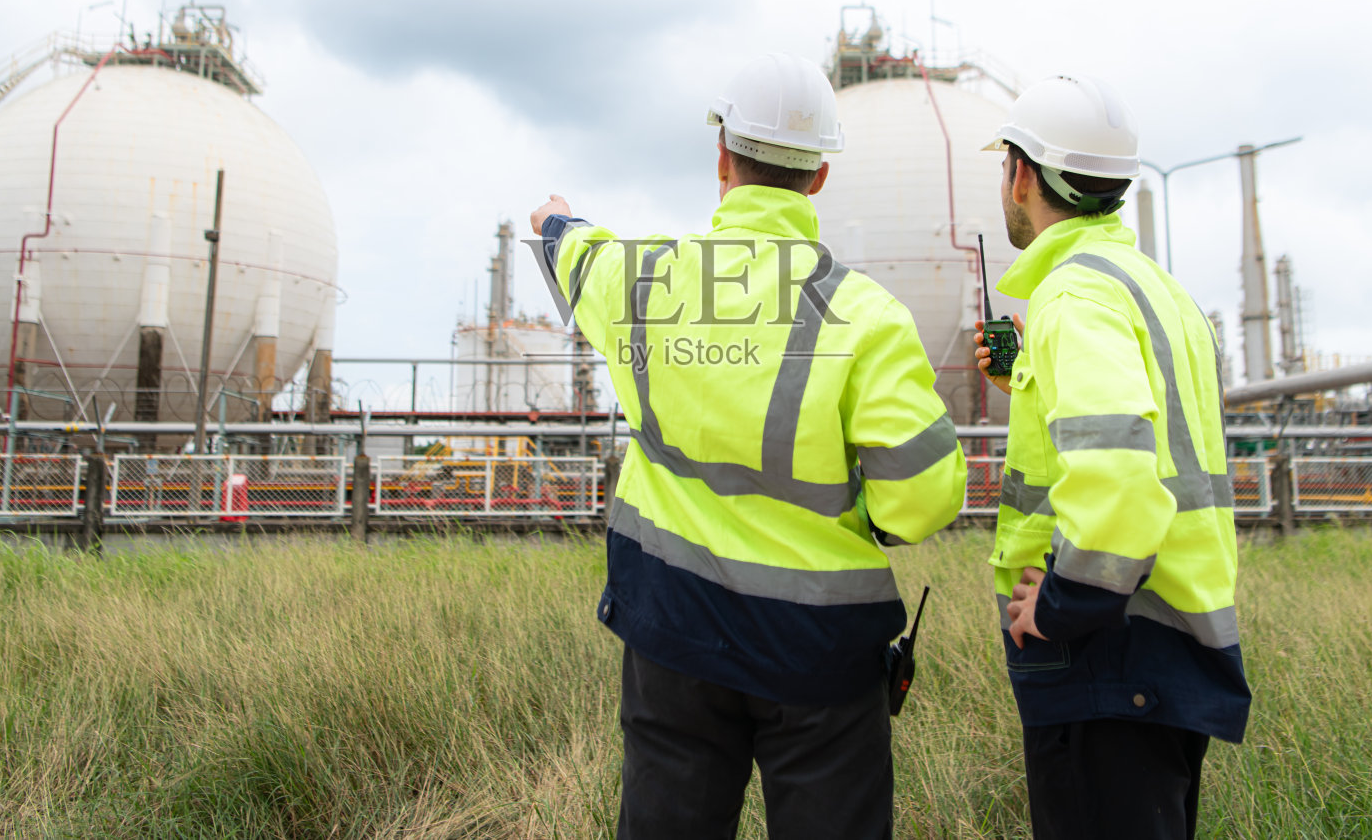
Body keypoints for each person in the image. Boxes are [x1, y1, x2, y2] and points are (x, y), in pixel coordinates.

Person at [529, 53, 967, 839]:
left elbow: (578, 253)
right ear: (819, 176)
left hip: (674, 630)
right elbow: (926, 496)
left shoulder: (644, 280)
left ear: (722, 159)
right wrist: (872, 515)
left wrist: (554, 220)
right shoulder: (867, 317)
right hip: (820, 649)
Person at [972, 76, 1250, 840]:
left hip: (1106, 648)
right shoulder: (1159, 291)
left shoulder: (1073, 299)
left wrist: (1063, 605)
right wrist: (1024, 377)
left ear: (1021, 176)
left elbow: (1122, 478)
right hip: (1173, 635)